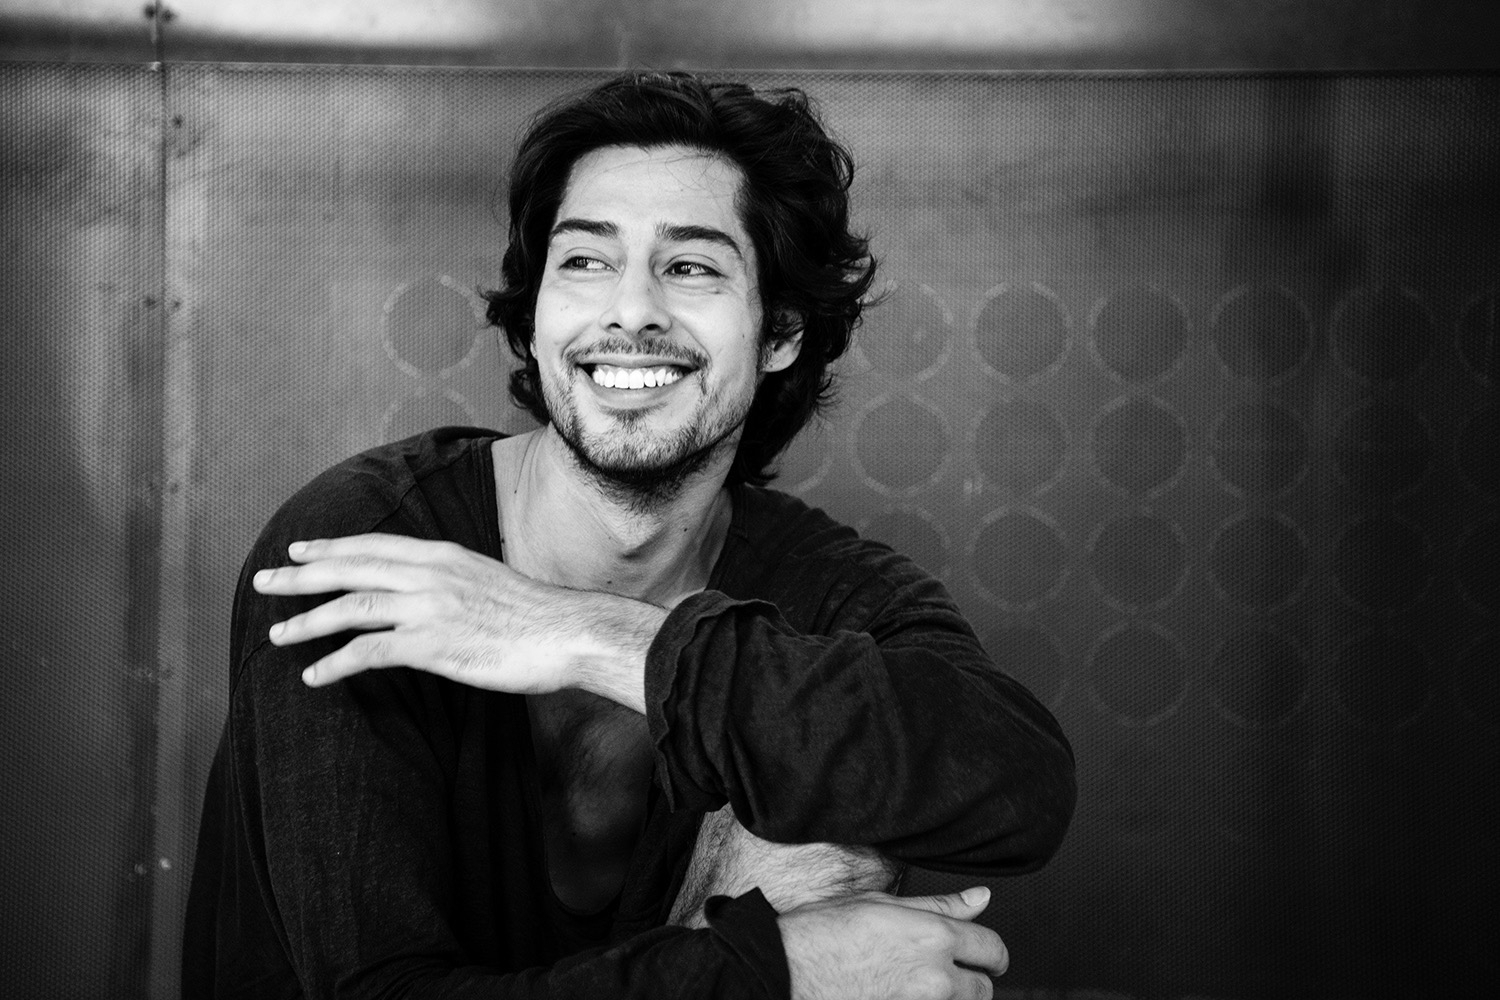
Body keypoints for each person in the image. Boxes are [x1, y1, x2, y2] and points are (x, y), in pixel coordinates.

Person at [183, 70, 1076, 1000]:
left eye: (690, 267)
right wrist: (778, 975)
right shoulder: (366, 553)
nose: (632, 309)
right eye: (585, 261)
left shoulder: (827, 592)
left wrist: (589, 636)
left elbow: (1020, 789)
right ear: (536, 318)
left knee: (838, 770)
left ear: (779, 332)